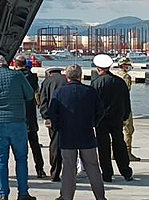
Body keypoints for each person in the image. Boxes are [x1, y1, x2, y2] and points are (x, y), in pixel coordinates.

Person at [0, 54, 36, 200]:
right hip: (17, 121)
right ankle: (23, 193)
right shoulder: (18, 76)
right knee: (21, 158)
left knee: (1, 160)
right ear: (6, 63)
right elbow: (30, 95)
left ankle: (3, 195)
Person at [49, 64, 106, 200]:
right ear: (80, 76)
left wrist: (58, 128)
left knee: (68, 168)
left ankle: (67, 197)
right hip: (86, 134)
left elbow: (53, 113)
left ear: (67, 76)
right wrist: (93, 123)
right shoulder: (90, 91)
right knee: (92, 166)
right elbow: (100, 111)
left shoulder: (59, 92)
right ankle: (100, 197)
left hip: (67, 135)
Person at [91, 54, 133, 182]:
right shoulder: (120, 82)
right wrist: (125, 116)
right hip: (117, 119)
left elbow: (92, 103)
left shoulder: (96, 83)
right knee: (119, 144)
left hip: (101, 121)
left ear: (98, 68)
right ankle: (126, 171)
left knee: (103, 147)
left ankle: (107, 173)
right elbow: (127, 101)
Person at [14, 55, 47, 178]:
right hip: (31, 115)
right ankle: (40, 169)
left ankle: (21, 170)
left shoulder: (14, 77)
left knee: (19, 146)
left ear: (16, 65)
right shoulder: (33, 77)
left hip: (18, 115)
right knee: (34, 144)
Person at [39, 66, 67, 182]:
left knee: (54, 145)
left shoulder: (47, 82)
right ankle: (70, 172)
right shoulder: (66, 80)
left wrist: (46, 116)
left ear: (50, 73)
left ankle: (54, 173)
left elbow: (43, 100)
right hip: (67, 117)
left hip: (53, 118)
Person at [114, 57, 140, 162]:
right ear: (123, 65)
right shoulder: (126, 76)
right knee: (129, 130)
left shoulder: (115, 75)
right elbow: (126, 91)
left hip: (115, 106)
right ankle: (127, 153)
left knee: (116, 130)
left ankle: (114, 152)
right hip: (124, 106)